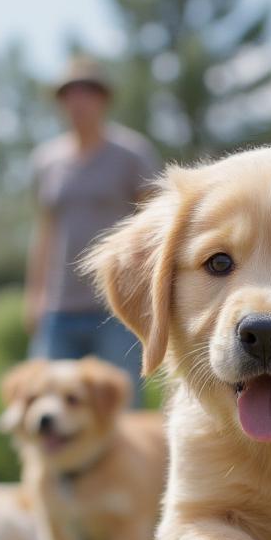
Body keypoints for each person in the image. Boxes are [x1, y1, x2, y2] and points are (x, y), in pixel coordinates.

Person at [25, 56, 161, 397]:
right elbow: (44, 233)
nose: (78, 100)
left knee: (117, 409)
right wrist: (34, 296)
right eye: (70, 93)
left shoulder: (132, 154)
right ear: (61, 102)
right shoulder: (47, 161)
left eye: (87, 91)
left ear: (103, 99)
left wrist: (148, 295)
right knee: (52, 410)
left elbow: (156, 225)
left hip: (115, 308)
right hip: (59, 311)